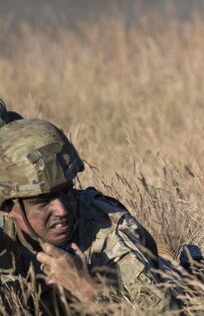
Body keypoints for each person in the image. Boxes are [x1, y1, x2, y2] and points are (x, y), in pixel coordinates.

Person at [0, 113, 163, 310]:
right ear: (7, 208)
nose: (61, 210)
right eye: (42, 202)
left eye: (66, 191)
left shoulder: (109, 235)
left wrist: (86, 290)